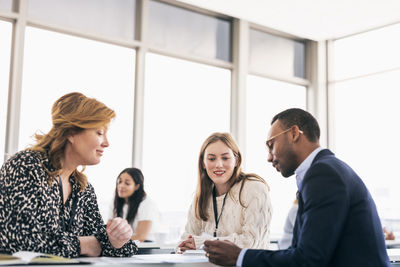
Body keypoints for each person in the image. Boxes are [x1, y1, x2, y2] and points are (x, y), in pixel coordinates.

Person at [203, 108, 390, 267]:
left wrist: (239, 256)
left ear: (293, 133)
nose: (269, 157)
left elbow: (309, 260)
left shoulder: (324, 174)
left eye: (271, 145)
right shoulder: (326, 170)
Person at [0, 92, 137, 258]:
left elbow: (116, 245)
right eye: (100, 133)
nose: (107, 143)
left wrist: (118, 239)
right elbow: (18, 241)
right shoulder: (25, 167)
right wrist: (86, 244)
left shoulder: (83, 189)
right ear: (71, 132)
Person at [178, 132, 272, 251]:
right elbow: (185, 240)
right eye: (211, 159)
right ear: (203, 163)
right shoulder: (201, 197)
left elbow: (251, 242)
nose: (218, 164)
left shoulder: (254, 188)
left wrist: (202, 243)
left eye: (225, 158)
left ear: (236, 161)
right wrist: (183, 247)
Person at [110, 167, 159, 242]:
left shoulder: (146, 204)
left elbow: (141, 237)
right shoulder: (115, 203)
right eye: (119, 182)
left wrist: (114, 241)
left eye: (127, 183)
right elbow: (109, 231)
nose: (121, 186)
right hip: (122, 246)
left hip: (145, 247)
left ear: (137, 186)